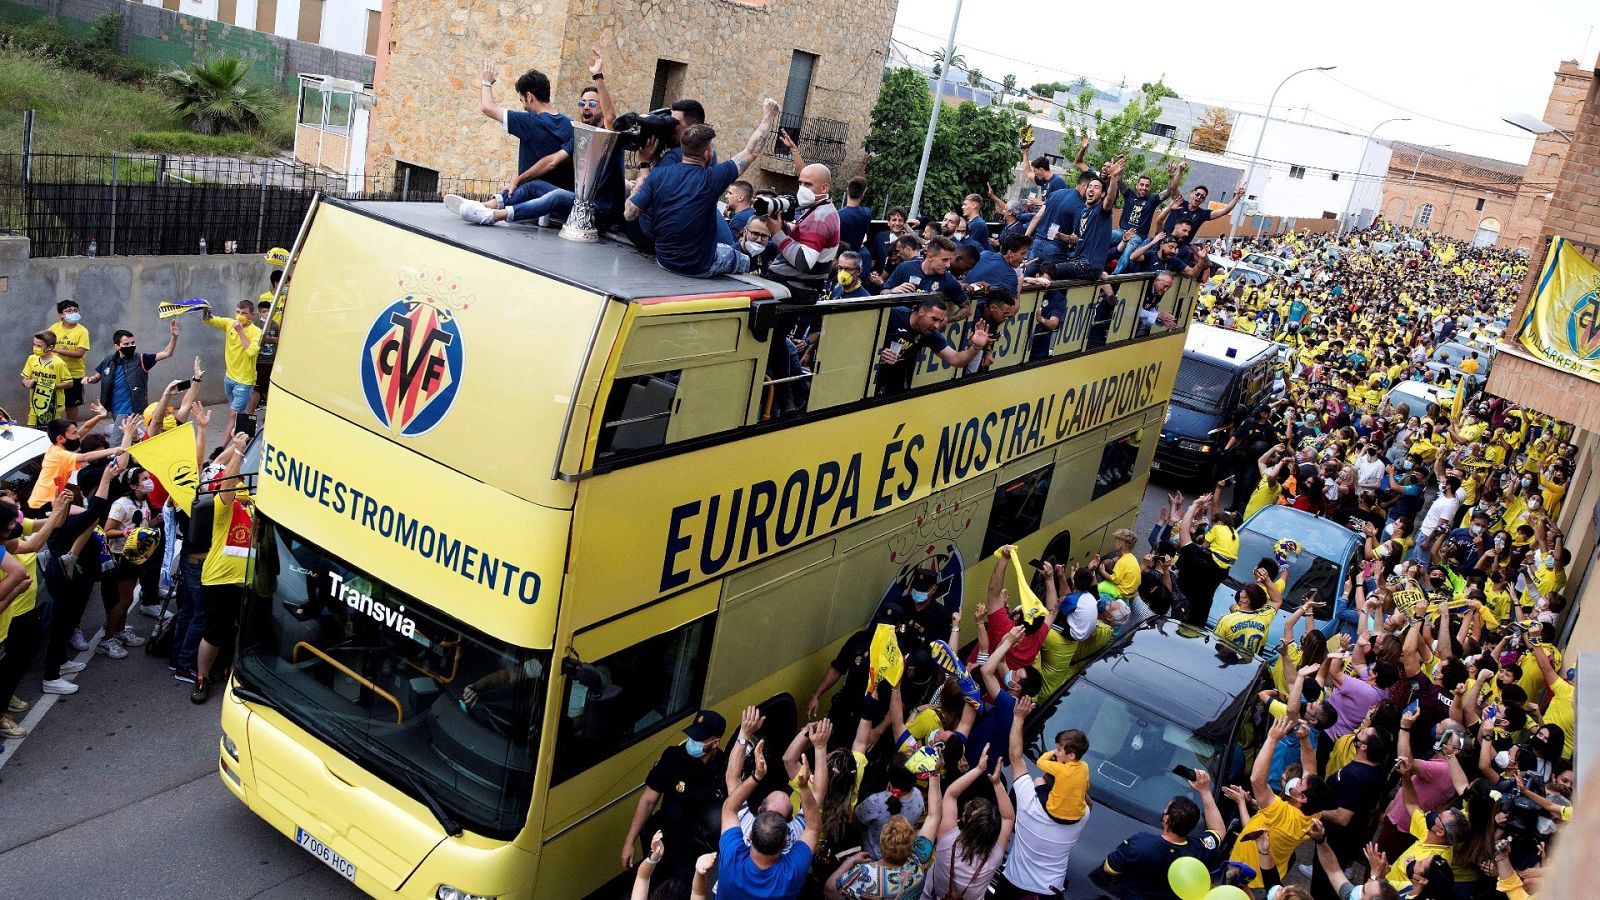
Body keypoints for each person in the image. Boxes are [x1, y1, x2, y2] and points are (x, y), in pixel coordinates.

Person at [625, 99, 782, 278]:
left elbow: (629, 213)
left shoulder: (658, 175)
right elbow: (751, 152)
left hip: (664, 261)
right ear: (707, 154)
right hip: (700, 266)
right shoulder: (713, 177)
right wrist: (769, 116)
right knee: (742, 258)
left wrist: (641, 183)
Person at [623, 709, 730, 883]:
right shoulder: (673, 757)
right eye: (692, 736)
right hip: (665, 841)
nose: (691, 742)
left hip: (695, 852)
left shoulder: (724, 767)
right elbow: (648, 800)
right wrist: (629, 842)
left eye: (698, 739)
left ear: (714, 742)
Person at [995, 696, 1086, 898]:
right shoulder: (1082, 815)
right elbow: (1082, 797)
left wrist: (1019, 718)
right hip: (1050, 890)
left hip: (1014, 883)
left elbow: (1016, 756)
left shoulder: (1029, 801)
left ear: (1045, 778)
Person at [1228, 716, 1333, 890]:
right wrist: (1305, 739)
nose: (1297, 780)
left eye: (1300, 783)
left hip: (1244, 878)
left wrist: (1272, 739)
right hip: (1265, 876)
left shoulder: (1282, 813)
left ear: (1301, 798)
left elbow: (1257, 780)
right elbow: (1309, 766)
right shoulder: (1313, 814)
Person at [717, 724, 818, 899]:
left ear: (748, 835)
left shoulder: (732, 857)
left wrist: (756, 775)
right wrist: (803, 786)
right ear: (787, 843)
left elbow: (729, 804)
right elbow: (813, 827)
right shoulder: (792, 872)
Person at [463, 60, 573, 219]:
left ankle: (483, 207)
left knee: (525, 186)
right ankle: (484, 206)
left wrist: (487, 82)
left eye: (522, 100)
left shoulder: (530, 122)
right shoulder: (570, 125)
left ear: (529, 96)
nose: (523, 106)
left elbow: (488, 107)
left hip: (534, 204)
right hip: (562, 205)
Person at [1093, 769, 1226, 900]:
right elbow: (1219, 830)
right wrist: (1205, 792)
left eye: (1166, 809)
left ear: (1166, 819)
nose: (1164, 810)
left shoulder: (1139, 843)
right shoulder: (1198, 850)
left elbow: (1110, 868)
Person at [190, 430, 253, 704]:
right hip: (219, 579)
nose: (241, 488)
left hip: (247, 580)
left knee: (241, 632)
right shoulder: (223, 505)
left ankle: (231, 670)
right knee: (214, 632)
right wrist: (237, 452)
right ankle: (202, 677)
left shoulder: (252, 505)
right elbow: (226, 485)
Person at [925, 752, 1014, 899]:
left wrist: (979, 769)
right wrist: (997, 784)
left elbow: (951, 794)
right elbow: (1008, 817)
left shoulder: (947, 840)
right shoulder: (995, 858)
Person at [872, 297, 989, 397]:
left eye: (940, 321)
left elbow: (956, 360)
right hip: (866, 379)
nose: (937, 325)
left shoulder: (929, 333)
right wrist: (877, 355)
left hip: (893, 381)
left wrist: (976, 347)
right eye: (934, 319)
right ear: (921, 312)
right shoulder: (893, 315)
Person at [85, 321, 179, 426]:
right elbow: (97, 377)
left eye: (132, 343)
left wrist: (174, 337)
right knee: (129, 437)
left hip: (133, 409)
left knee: (117, 441)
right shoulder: (108, 360)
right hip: (115, 408)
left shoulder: (142, 359)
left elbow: (166, 353)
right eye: (126, 344)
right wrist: (89, 379)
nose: (131, 346)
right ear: (117, 346)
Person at [200, 299, 262, 420]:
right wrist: (206, 312)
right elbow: (209, 320)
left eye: (244, 313)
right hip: (229, 377)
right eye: (238, 312)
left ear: (252, 315)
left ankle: (229, 439)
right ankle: (245, 432)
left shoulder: (256, 332)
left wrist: (240, 332)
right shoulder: (229, 323)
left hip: (244, 380)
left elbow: (250, 352)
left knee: (233, 415)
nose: (240, 316)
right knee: (237, 414)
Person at [47, 299, 92, 421]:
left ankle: (72, 428)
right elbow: (46, 346)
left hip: (74, 374)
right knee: (52, 403)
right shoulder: (53, 328)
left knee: (71, 405)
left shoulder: (82, 331)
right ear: (61, 315)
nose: (73, 313)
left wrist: (57, 349)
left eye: (75, 310)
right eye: (69, 311)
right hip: (54, 373)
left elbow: (79, 353)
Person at [20, 330, 74, 427]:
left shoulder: (59, 363)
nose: (35, 348)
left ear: (50, 347)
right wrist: (27, 382)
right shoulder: (32, 359)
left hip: (54, 406)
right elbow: (24, 379)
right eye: (34, 344)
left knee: (51, 433)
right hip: (36, 404)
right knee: (32, 429)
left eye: (39, 346)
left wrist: (50, 386)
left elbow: (69, 383)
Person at [838, 177, 872, 252]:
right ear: (863, 194)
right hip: (856, 255)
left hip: (840, 256)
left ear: (847, 190)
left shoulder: (838, 215)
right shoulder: (866, 213)